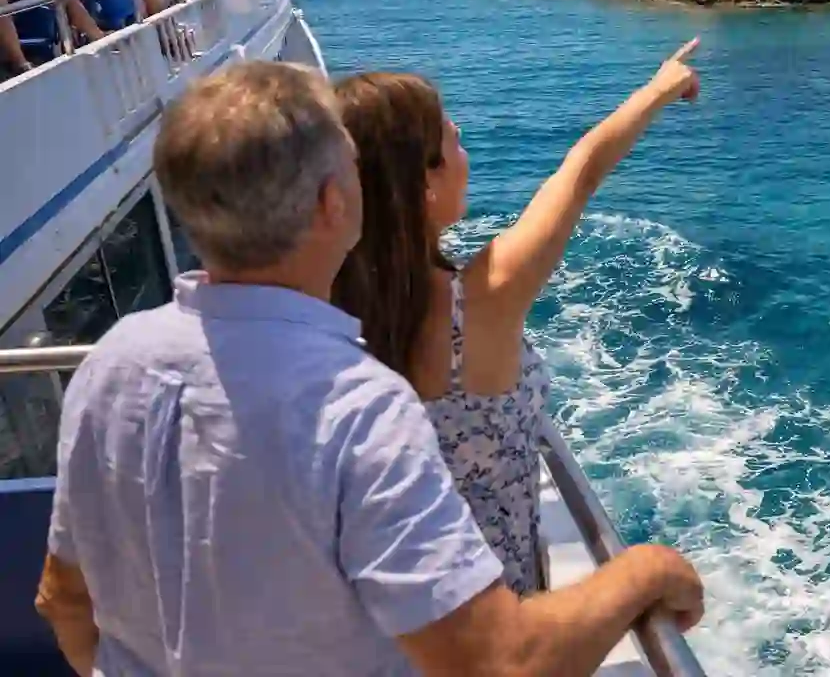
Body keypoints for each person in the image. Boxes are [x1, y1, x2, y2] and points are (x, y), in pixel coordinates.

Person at [36, 62, 705, 677]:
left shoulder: (111, 363)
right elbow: (496, 664)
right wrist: (646, 570)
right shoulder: (359, 405)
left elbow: (62, 598)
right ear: (333, 202)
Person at [332, 39, 702, 594]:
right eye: (454, 141)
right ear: (425, 184)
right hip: (494, 614)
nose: (464, 145)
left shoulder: (321, 311)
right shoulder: (481, 301)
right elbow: (581, 172)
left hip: (390, 615)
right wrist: (660, 88)